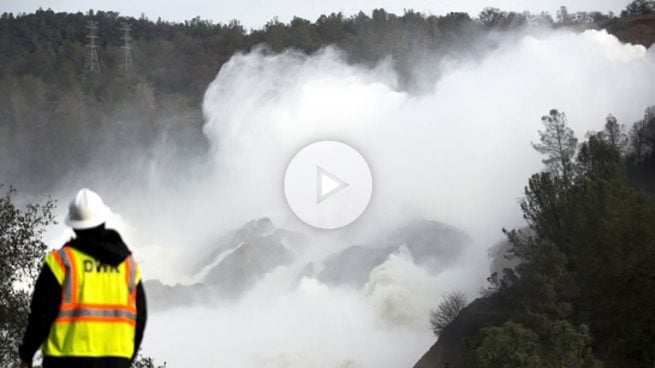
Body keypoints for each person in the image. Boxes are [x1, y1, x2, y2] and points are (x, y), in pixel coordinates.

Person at [18, 188, 147, 368]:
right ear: (103, 220)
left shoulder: (61, 262)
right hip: (116, 361)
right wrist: (126, 358)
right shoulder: (128, 266)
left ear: (73, 226)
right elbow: (140, 317)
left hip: (66, 361)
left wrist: (27, 353)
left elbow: (41, 314)